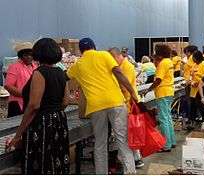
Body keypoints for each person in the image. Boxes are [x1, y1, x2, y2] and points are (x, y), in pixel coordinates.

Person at [66, 38, 137, 174]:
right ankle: (130, 172)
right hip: (115, 102)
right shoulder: (104, 55)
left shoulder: (78, 64)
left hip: (96, 107)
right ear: (94, 46)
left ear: (80, 51)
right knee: (122, 139)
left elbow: (65, 77)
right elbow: (118, 73)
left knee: (100, 142)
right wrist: (132, 92)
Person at [8, 38, 70, 174]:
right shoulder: (61, 72)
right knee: (57, 158)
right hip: (59, 120)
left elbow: (34, 105)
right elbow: (66, 101)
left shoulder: (39, 73)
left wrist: (18, 134)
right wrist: (55, 113)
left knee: (41, 162)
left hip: (42, 123)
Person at [108, 47, 144, 169]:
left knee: (127, 134)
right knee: (129, 134)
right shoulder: (121, 66)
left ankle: (135, 159)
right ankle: (135, 158)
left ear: (117, 56)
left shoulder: (126, 66)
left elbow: (125, 86)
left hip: (128, 104)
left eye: (112, 58)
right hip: (125, 103)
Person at [141, 44, 176, 152]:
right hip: (169, 91)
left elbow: (158, 80)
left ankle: (166, 145)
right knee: (168, 118)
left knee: (163, 119)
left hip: (162, 93)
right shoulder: (169, 61)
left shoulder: (163, 64)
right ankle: (172, 141)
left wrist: (148, 89)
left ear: (159, 54)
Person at [4, 42, 37, 118]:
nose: (29, 57)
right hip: (17, 104)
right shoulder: (14, 67)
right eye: (26, 55)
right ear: (21, 56)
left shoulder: (35, 66)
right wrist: (25, 95)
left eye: (31, 54)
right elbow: (8, 85)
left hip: (32, 103)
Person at [189, 51, 204, 122]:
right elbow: (191, 75)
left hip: (201, 89)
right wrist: (191, 82)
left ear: (198, 58)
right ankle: (193, 120)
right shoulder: (194, 65)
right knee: (193, 106)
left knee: (202, 106)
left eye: (194, 58)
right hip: (193, 90)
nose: (193, 59)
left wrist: (199, 82)